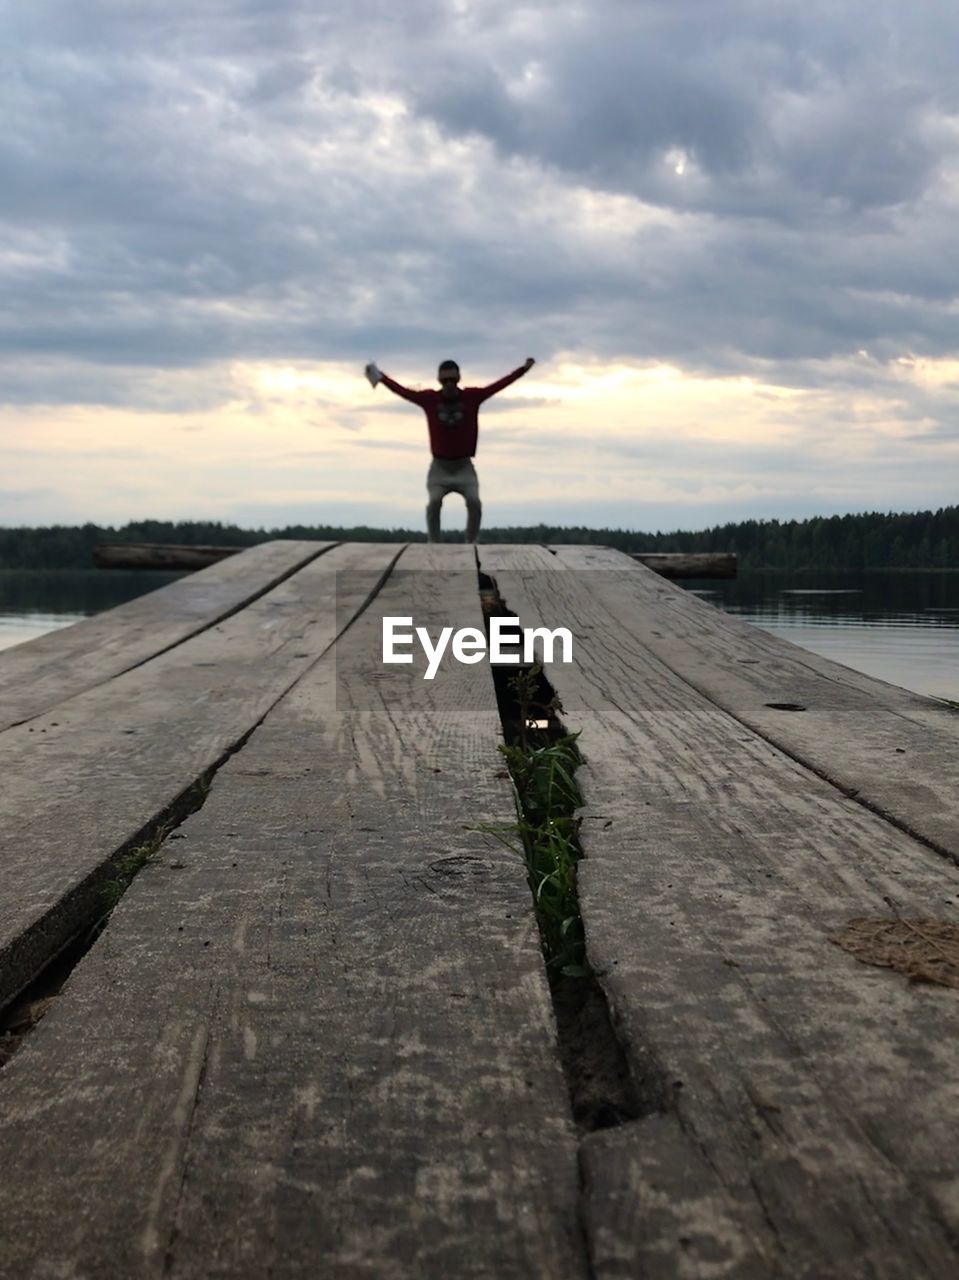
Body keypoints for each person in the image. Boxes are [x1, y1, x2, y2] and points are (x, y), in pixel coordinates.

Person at [364, 356, 535, 543]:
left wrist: (522, 370)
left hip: (464, 467)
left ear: (458, 379)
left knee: (474, 502)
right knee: (434, 503)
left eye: (452, 380)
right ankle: (434, 544)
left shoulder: (472, 397)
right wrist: (380, 377)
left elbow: (499, 385)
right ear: (439, 381)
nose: (449, 385)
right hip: (439, 468)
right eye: (444, 381)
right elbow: (403, 392)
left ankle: (471, 543)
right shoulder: (430, 399)